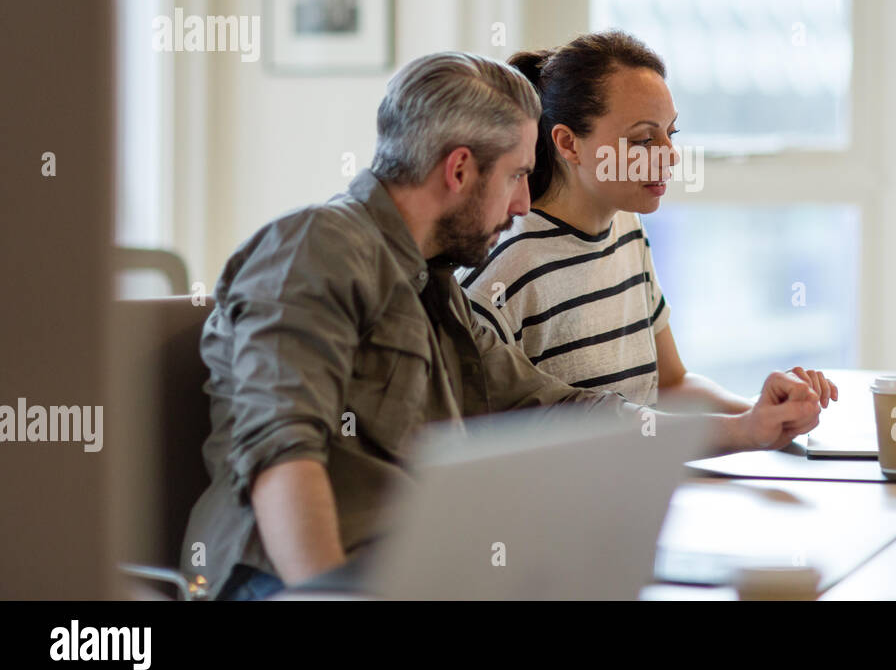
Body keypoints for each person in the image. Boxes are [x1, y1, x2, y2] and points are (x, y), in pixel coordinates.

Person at [182, 51, 832, 600]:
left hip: (414, 567)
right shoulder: (320, 248)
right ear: (459, 170)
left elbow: (550, 407)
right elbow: (283, 455)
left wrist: (741, 428)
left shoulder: (433, 282)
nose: (524, 203)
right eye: (518, 176)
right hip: (294, 581)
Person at [458, 30, 838, 415]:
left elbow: (672, 385)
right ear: (569, 144)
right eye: (643, 140)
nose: (671, 157)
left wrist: (762, 410)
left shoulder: (626, 228)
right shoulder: (506, 266)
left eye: (670, 133)